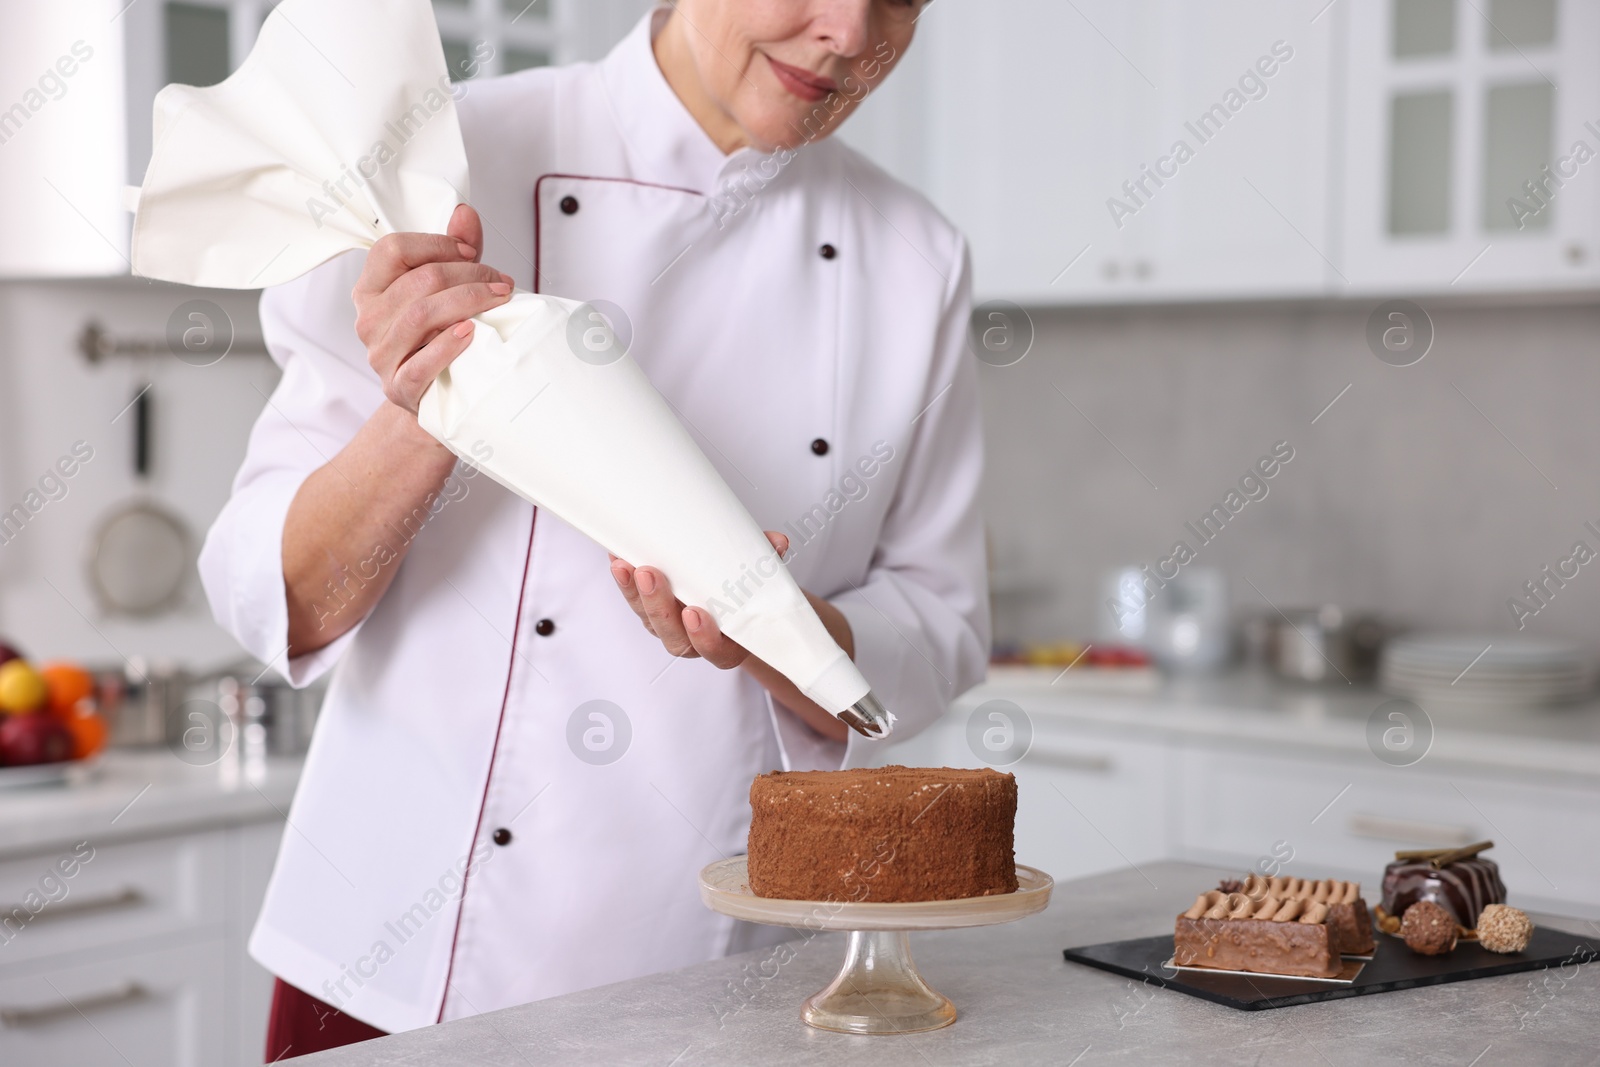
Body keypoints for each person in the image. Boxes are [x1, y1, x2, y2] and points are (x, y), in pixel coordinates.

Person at [200, 0, 987, 1057]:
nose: (848, 30)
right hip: (397, 962)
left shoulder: (914, 256)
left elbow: (938, 618)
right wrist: (431, 403)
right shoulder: (447, 157)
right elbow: (271, 594)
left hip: (708, 975)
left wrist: (780, 635)